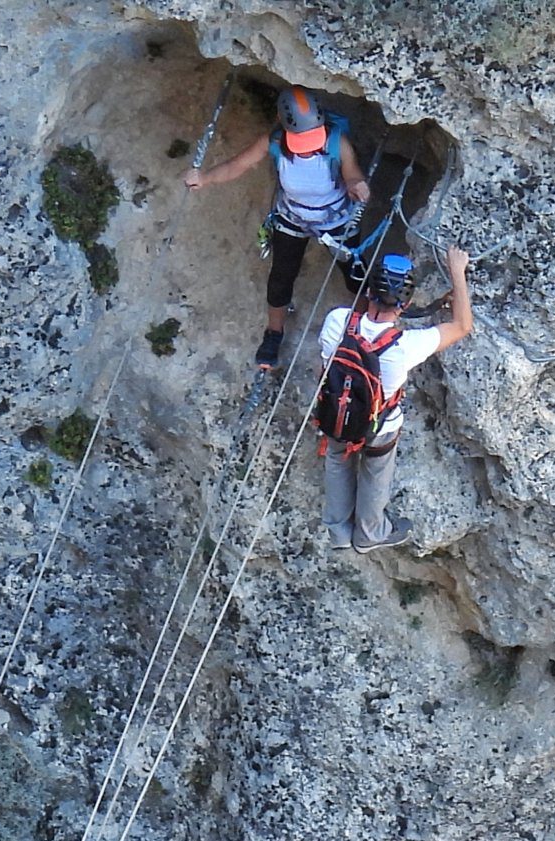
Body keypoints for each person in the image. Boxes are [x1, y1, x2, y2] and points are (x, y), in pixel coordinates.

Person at [183, 85, 376, 375]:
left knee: (355, 277)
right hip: (293, 216)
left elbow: (352, 174)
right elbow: (239, 165)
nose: (309, 145)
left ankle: (366, 335)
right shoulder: (274, 141)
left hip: (336, 218)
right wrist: (206, 178)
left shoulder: (337, 142)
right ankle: (273, 335)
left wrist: (357, 186)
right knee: (281, 277)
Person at [311, 246, 473, 554]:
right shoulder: (406, 346)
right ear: (407, 303)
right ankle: (368, 535)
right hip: (379, 425)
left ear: (369, 289)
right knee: (375, 472)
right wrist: (457, 273)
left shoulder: (337, 321)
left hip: (335, 410)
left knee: (337, 458)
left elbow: (327, 362)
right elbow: (462, 326)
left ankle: (339, 532)